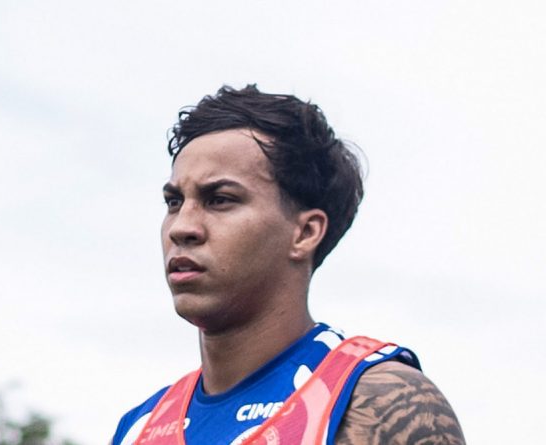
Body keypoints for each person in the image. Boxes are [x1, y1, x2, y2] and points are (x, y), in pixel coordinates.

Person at [111, 85, 465, 445]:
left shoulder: (379, 402)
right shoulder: (138, 428)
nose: (182, 227)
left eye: (219, 199)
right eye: (174, 202)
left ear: (305, 233)